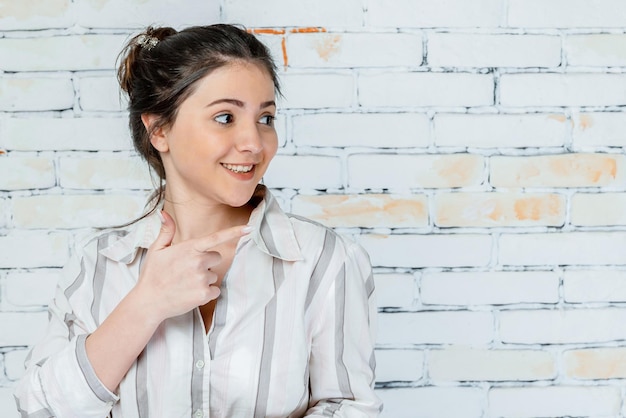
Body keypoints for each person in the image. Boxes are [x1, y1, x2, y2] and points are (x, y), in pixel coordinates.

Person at [14, 24, 381, 417]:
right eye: (225, 117)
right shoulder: (100, 264)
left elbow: (347, 407)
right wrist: (146, 303)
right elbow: (39, 410)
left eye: (266, 118)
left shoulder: (323, 260)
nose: (254, 144)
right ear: (159, 129)